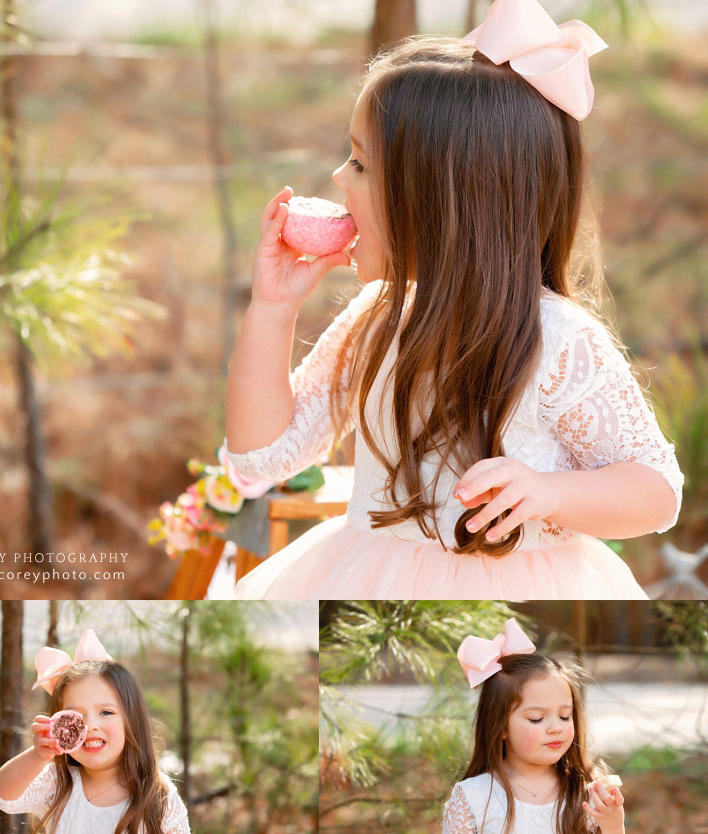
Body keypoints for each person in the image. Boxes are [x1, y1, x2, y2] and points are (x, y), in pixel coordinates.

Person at [223, 0, 683, 600]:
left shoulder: (558, 341)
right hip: (374, 580)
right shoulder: (375, 321)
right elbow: (261, 457)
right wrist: (272, 308)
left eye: (361, 163)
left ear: (439, 203)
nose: (338, 177)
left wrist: (552, 493)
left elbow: (657, 491)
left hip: (522, 590)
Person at [0, 630, 203, 834]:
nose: (90, 726)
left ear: (131, 720)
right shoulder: (59, 780)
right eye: (75, 716)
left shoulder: (157, 793)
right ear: (59, 724)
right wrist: (38, 754)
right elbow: (2, 795)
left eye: (106, 712)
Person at [436, 619, 632, 834]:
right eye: (537, 718)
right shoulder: (474, 795)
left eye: (565, 716)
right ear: (500, 726)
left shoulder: (584, 791)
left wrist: (614, 829)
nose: (555, 727)